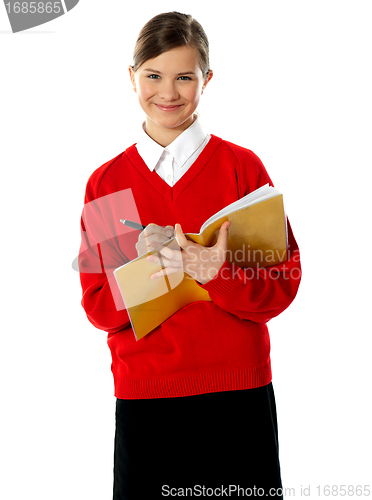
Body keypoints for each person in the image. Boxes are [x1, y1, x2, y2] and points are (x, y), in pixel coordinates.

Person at [78, 11, 302, 500]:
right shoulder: (108, 183)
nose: (169, 92)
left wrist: (214, 271)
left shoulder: (242, 168)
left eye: (185, 77)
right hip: (148, 402)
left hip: (238, 396)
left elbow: (282, 286)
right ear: (131, 77)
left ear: (207, 80)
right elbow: (98, 308)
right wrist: (146, 271)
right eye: (153, 76)